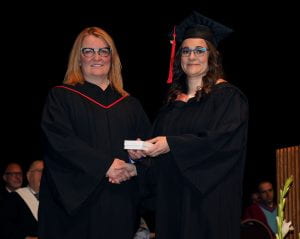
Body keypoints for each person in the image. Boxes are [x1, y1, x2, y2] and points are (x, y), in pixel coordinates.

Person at [129, 11, 249, 239]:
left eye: (199, 50)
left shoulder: (228, 98)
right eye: (185, 51)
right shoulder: (171, 108)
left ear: (212, 56)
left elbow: (221, 143)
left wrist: (171, 144)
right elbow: (159, 159)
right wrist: (140, 157)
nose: (191, 56)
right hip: (172, 205)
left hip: (208, 206)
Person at [38, 26, 151, 239]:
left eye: (103, 51)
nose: (96, 57)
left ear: (112, 57)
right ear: (78, 58)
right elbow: (59, 143)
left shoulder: (130, 105)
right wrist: (105, 165)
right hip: (75, 211)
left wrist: (135, 166)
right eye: (88, 51)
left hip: (120, 204)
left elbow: (147, 146)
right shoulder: (61, 97)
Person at [0, 160, 44, 239]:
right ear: (29, 175)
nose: (44, 175)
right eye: (40, 171)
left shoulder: (55, 198)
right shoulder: (14, 198)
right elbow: (5, 227)